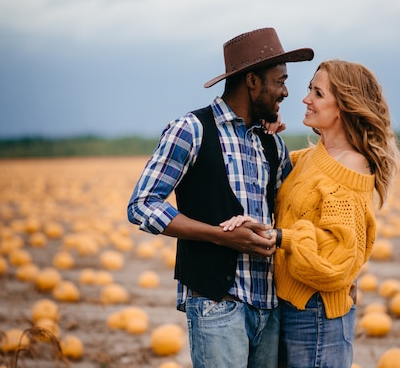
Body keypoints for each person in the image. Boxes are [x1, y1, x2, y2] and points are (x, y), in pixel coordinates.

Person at [127, 27, 314, 368]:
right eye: (280, 81)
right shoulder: (191, 129)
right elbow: (142, 205)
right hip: (217, 303)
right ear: (253, 81)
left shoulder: (271, 143)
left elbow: (295, 208)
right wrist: (221, 236)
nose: (287, 92)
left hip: (269, 305)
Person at [222, 59, 400, 367]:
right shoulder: (311, 157)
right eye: (309, 90)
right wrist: (267, 138)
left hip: (318, 316)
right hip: (292, 306)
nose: (305, 99)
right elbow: (269, 184)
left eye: (317, 93)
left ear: (343, 106)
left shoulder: (350, 166)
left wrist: (280, 237)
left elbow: (337, 258)